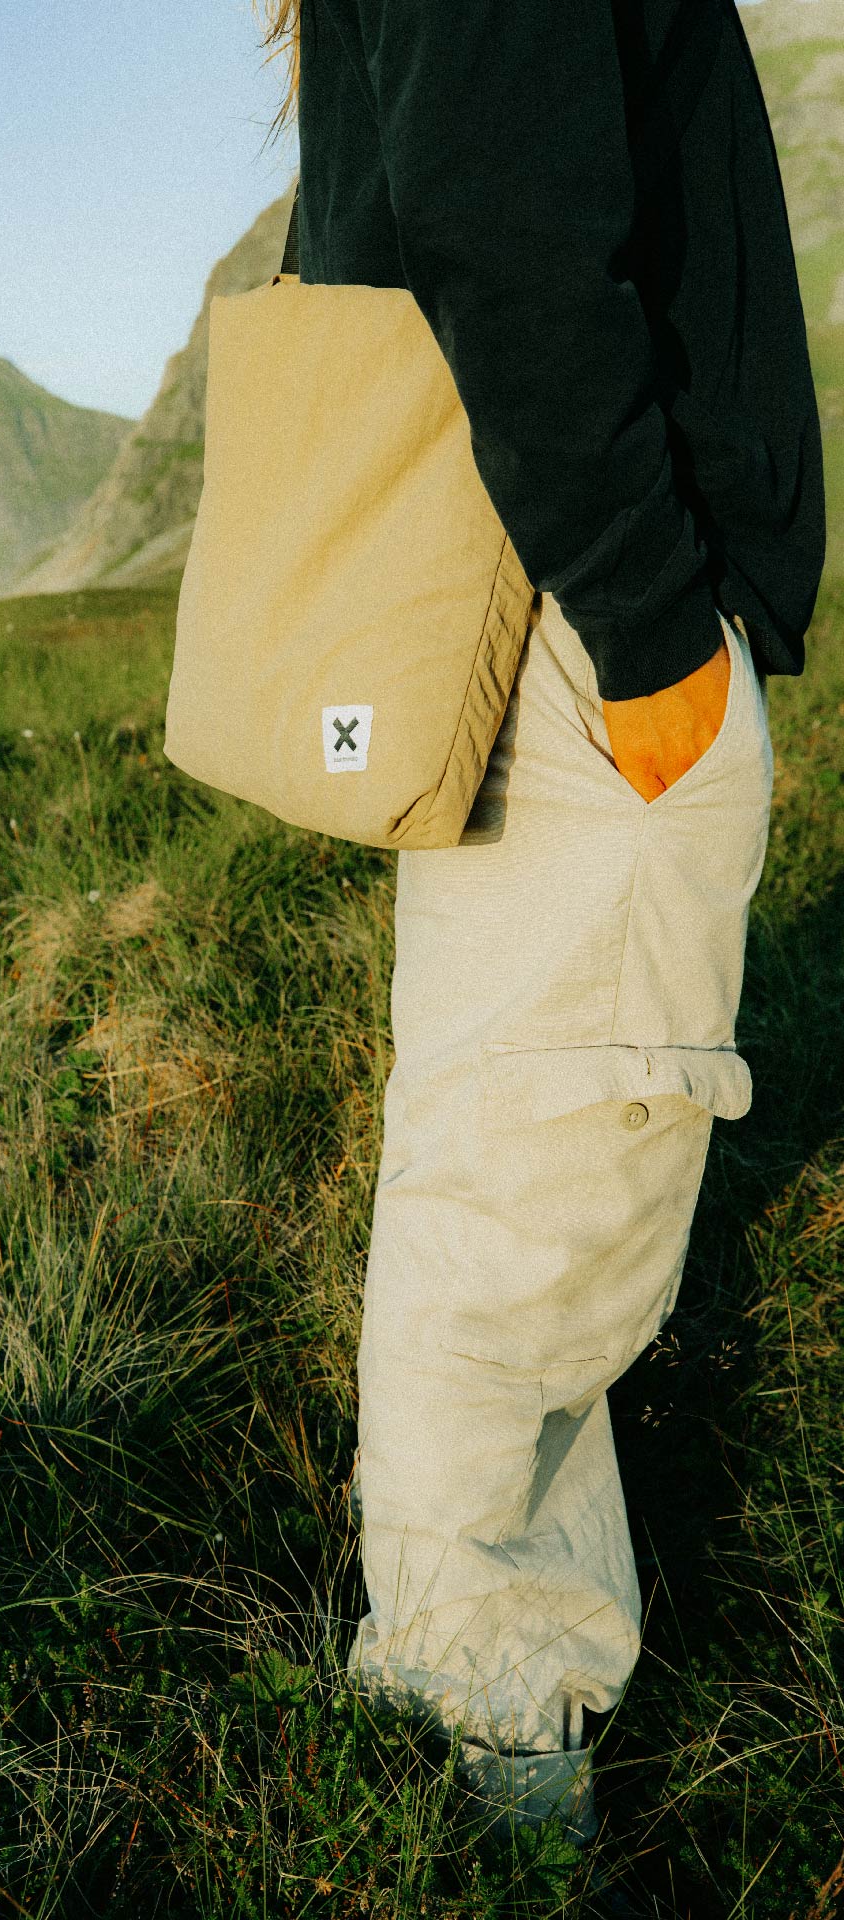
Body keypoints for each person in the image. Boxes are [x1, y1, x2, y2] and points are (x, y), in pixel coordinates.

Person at [256, 0, 826, 1846]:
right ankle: (476, 1761)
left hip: (550, 621)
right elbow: (500, 223)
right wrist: (661, 638)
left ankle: (518, 1712)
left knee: (544, 1175)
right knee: (528, 1204)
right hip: (589, 633)